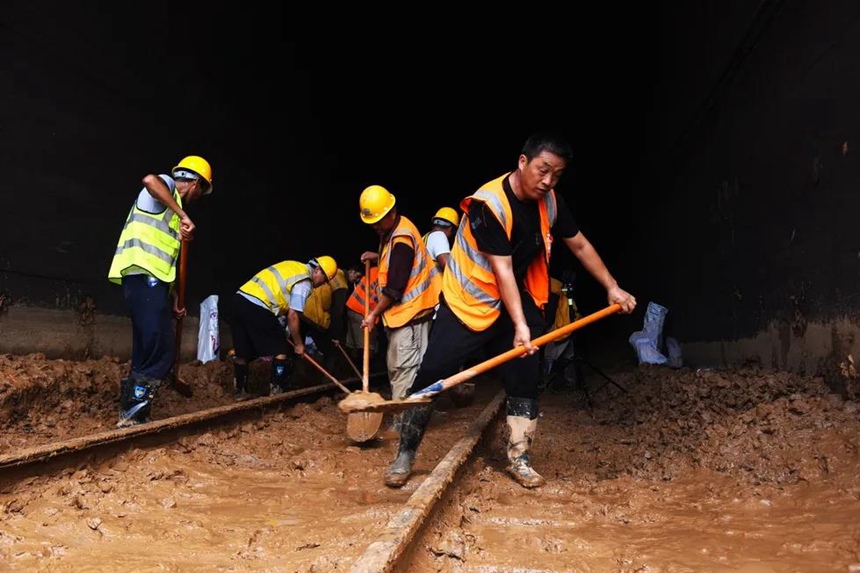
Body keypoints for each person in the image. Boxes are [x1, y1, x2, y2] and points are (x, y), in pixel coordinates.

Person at [383, 131, 637, 489]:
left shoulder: (551, 201)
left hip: (512, 297)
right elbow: (501, 268)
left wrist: (611, 286)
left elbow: (578, 244)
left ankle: (520, 457)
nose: (548, 181)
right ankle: (405, 454)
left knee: (525, 370)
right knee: (433, 374)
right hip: (467, 301)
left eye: (557, 174)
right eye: (542, 170)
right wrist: (521, 326)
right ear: (522, 162)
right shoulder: (489, 206)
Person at [108, 155, 214, 427]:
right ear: (196, 183)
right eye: (202, 190)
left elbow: (166, 263)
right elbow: (149, 180)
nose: (199, 197)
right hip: (142, 276)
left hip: (150, 281)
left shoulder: (171, 210)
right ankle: (133, 410)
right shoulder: (166, 187)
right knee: (161, 347)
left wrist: (176, 300)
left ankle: (132, 410)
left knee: (146, 346)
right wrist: (182, 215)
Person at [358, 185, 441, 408]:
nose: (374, 226)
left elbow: (395, 288)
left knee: (403, 368)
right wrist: (376, 257)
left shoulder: (402, 239)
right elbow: (394, 261)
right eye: (371, 222)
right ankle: (409, 414)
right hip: (407, 314)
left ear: (391, 212)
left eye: (378, 221)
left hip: (411, 313)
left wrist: (373, 314)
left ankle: (404, 420)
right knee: (400, 366)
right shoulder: (394, 231)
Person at [229, 256, 338, 398]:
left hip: (239, 300)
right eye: (324, 280)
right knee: (281, 350)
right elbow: (293, 315)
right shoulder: (304, 281)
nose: (321, 285)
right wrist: (299, 344)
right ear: (317, 270)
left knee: (242, 351)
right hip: (258, 306)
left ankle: (239, 391)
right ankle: (277, 393)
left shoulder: (293, 266)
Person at [344, 263, 380, 363]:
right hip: (363, 313)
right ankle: (364, 372)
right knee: (367, 345)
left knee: (354, 344)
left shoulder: (373, 270)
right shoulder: (384, 274)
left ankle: (353, 371)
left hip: (352, 308)